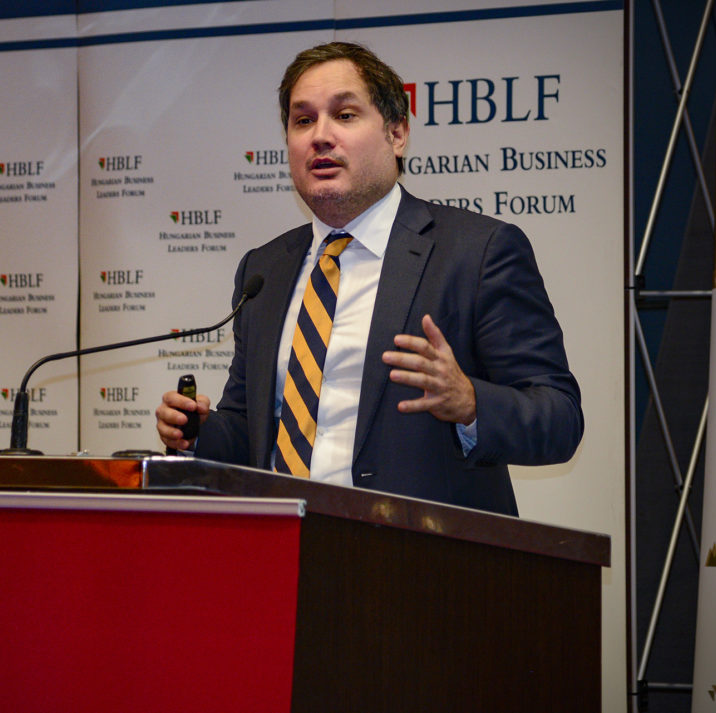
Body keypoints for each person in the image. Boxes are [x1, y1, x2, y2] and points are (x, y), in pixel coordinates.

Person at [155, 42, 582, 516]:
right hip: (286, 543)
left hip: (420, 551)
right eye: (303, 120)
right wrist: (200, 433)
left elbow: (559, 418)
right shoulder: (265, 269)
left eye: (345, 115)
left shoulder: (477, 252)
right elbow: (251, 430)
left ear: (397, 134)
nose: (321, 136)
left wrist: (470, 403)